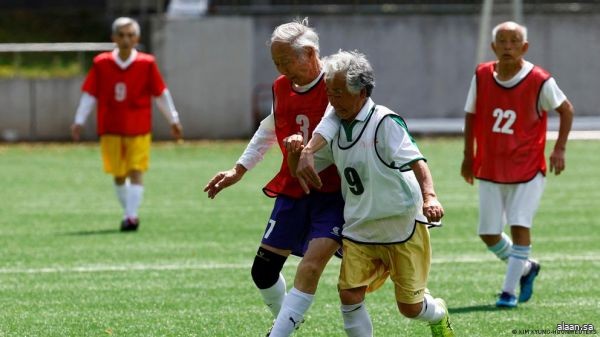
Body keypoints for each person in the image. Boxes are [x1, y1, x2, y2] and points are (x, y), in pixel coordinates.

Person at [286, 50, 455, 337]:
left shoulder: (385, 122)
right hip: (359, 228)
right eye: (330, 92)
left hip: (401, 226)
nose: (332, 100)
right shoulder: (334, 128)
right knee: (349, 294)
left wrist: (430, 196)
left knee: (410, 308)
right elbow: (301, 170)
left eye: (339, 93)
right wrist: (295, 153)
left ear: (361, 92)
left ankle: (438, 313)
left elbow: (417, 161)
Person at [203, 19, 344, 336]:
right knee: (263, 271)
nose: (281, 70)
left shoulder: (336, 84)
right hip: (294, 189)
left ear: (309, 53)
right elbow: (269, 129)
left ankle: (425, 305)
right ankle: (287, 323)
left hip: (336, 193)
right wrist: (238, 169)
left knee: (369, 273)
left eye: (285, 61)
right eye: (276, 63)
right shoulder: (281, 87)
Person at [460, 21, 574, 307]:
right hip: (490, 167)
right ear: (493, 47)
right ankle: (525, 267)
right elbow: (471, 115)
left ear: (525, 47)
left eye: (514, 41)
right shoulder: (482, 75)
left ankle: (509, 292)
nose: (508, 46)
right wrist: (468, 155)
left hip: (527, 168)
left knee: (519, 225)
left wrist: (559, 149)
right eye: (503, 41)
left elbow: (566, 109)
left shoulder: (540, 80)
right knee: (488, 233)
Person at [71, 17, 183, 232]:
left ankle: (131, 217)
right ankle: (128, 212)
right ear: (113, 38)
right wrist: (79, 121)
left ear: (137, 38)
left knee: (135, 170)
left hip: (138, 128)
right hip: (110, 128)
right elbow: (89, 94)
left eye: (130, 35)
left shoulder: (146, 63)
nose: (125, 39)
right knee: (119, 174)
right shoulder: (101, 63)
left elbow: (161, 94)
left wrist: (174, 120)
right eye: (121, 35)